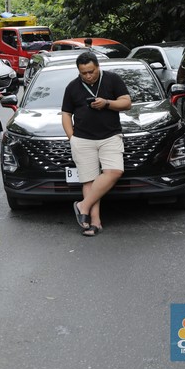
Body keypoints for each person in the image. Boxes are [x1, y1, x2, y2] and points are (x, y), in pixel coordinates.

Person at [62, 51, 131, 237]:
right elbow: (66, 114)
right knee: (89, 180)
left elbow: (127, 103)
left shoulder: (112, 79)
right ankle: (94, 223)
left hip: (110, 136)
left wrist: (107, 103)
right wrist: (72, 138)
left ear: (98, 67)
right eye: (83, 73)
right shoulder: (72, 87)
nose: (88, 76)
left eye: (91, 71)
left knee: (114, 171)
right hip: (82, 139)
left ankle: (82, 206)